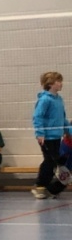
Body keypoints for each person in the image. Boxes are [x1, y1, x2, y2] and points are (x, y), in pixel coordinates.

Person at [32, 70, 70, 198]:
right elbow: (38, 117)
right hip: (46, 137)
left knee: (56, 161)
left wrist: (69, 131)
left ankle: (48, 187)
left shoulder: (59, 99)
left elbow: (63, 118)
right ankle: (39, 186)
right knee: (49, 161)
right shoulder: (44, 100)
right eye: (58, 81)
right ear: (50, 84)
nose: (61, 83)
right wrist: (40, 133)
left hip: (57, 136)